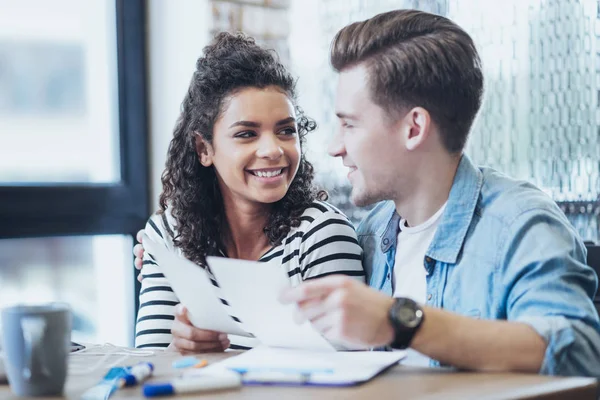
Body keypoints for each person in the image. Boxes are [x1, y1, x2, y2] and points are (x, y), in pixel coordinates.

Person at [279, 9, 600, 376]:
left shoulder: (521, 226)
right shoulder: (370, 234)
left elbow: (579, 353)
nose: (335, 146)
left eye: (349, 124)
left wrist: (399, 321)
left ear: (414, 128)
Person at [134, 32, 365, 352]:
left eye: (286, 130)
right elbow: (146, 369)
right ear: (204, 149)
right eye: (246, 134)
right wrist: (178, 351)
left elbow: (349, 375)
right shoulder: (166, 234)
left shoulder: (321, 236)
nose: (273, 150)